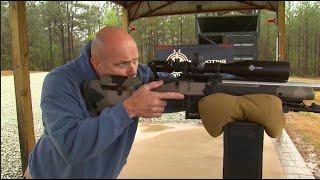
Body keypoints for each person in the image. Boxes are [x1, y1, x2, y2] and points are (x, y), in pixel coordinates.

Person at [26, 26, 185, 179]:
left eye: (135, 60)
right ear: (96, 64)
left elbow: (170, 92)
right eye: (122, 64)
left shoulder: (137, 73)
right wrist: (129, 108)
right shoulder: (60, 81)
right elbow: (71, 146)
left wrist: (199, 95)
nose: (133, 71)